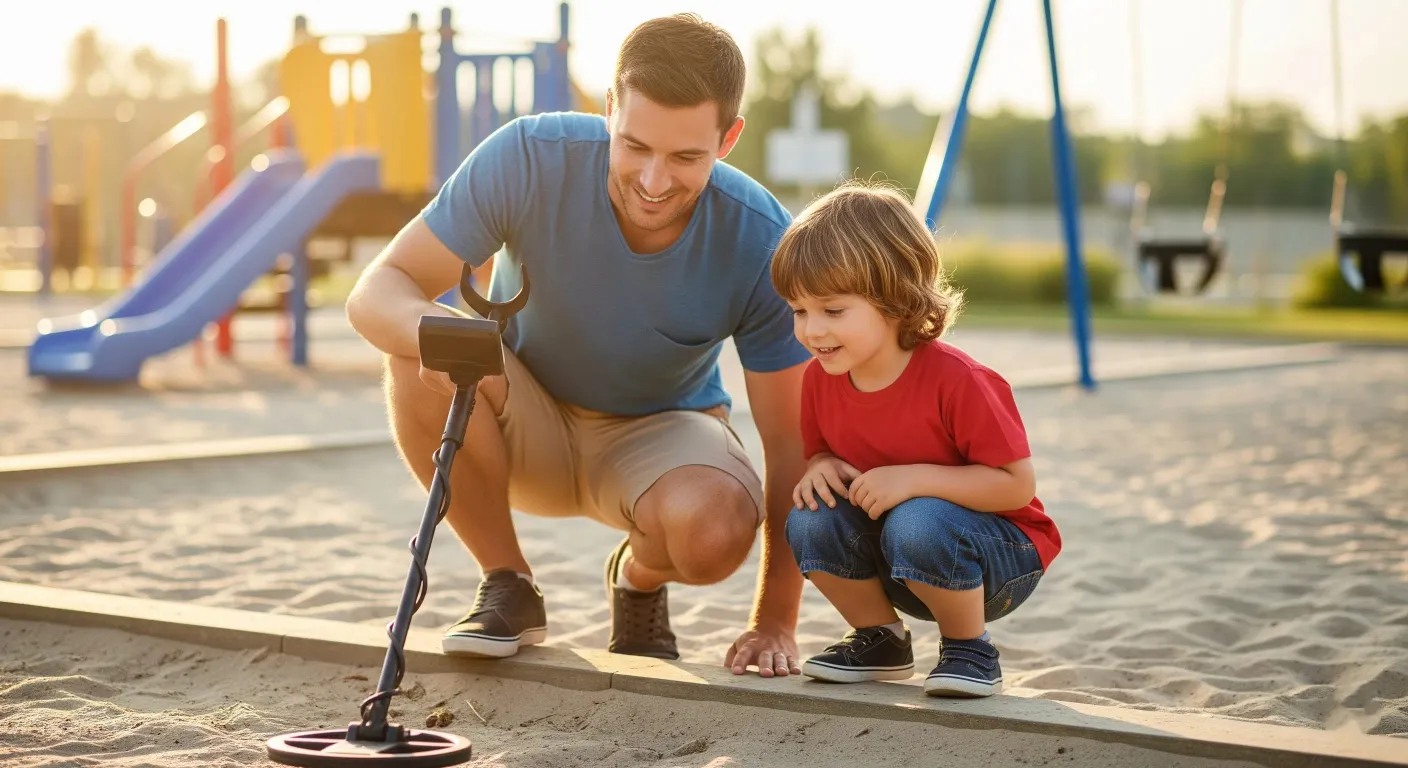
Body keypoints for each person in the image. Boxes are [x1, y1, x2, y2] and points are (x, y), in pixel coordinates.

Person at [345, 13, 814, 678]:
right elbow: (379, 290)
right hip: (516, 418)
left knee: (716, 535)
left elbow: (791, 446)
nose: (654, 181)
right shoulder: (528, 157)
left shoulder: (763, 237)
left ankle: (639, 577)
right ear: (608, 109)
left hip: (659, 434)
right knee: (416, 350)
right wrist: (442, 336)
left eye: (685, 157)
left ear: (728, 138)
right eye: (635, 146)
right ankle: (508, 582)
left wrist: (774, 622)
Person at [770, 180, 1061, 698]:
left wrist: (913, 480)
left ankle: (970, 647)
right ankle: (881, 639)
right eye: (799, 310)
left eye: (833, 311)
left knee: (917, 516)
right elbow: (820, 451)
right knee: (810, 516)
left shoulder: (957, 378)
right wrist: (819, 467)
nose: (812, 330)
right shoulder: (821, 377)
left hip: (998, 556)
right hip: (897, 555)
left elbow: (1016, 486)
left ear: (895, 299)